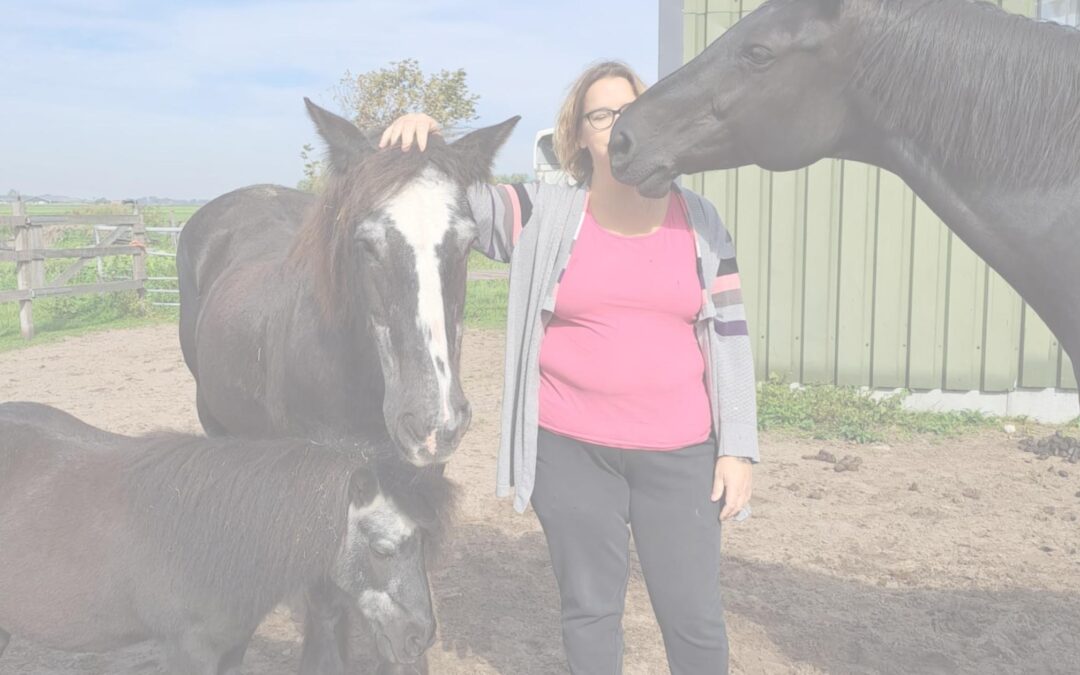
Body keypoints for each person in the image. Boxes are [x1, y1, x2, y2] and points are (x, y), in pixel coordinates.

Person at [380, 60, 758, 675]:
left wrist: (736, 447)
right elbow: (453, 199)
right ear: (579, 134)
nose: (615, 125)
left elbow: (732, 336)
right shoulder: (543, 213)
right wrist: (429, 135)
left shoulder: (700, 222)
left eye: (627, 110)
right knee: (589, 610)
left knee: (694, 616)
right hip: (572, 450)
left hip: (682, 454)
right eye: (599, 115)